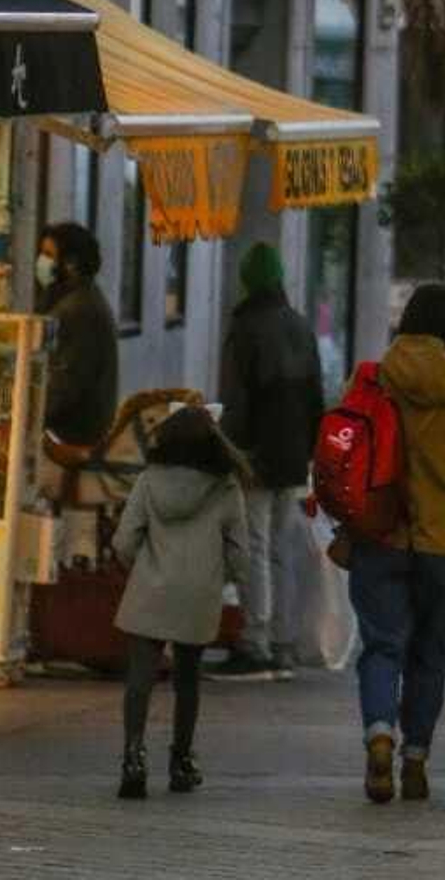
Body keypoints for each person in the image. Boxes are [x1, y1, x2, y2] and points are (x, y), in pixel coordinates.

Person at [348, 281, 445, 805]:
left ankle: (379, 734)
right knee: (430, 650)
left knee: (381, 644)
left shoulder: (373, 381)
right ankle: (415, 758)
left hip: (380, 533)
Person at [112, 404, 249, 800]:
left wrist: (141, 569)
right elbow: (240, 553)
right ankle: (182, 761)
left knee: (140, 680)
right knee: (188, 682)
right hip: (198, 594)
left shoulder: (148, 480)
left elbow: (124, 540)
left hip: (149, 589)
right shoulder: (225, 486)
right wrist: (222, 578)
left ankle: (133, 759)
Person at [213, 239, 325, 681]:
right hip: (294, 454)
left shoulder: (246, 328)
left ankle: (254, 642)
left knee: (254, 547)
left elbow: (237, 400)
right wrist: (311, 449)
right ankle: (284, 644)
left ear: (248, 281)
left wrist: (233, 451)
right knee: (281, 547)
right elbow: (316, 396)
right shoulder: (300, 326)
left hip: (257, 454)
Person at [37, 221, 119, 449]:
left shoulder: (77, 310)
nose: (41, 262)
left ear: (71, 264)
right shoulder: (80, 299)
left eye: (48, 255)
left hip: (69, 437)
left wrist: (24, 415)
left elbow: (63, 384)